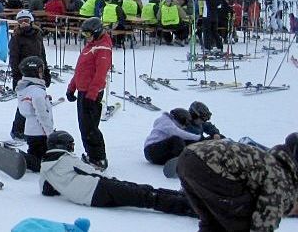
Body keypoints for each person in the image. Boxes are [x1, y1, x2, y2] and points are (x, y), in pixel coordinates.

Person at [40, 131, 197, 217]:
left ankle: (182, 199)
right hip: (99, 188)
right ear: (62, 145)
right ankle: (189, 206)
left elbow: (46, 190)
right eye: (70, 145)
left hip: (91, 200)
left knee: (140, 194)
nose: (71, 149)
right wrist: (114, 181)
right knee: (143, 194)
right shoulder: (66, 159)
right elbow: (92, 172)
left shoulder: (46, 167)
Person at [177, 134, 298, 231]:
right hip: (209, 164)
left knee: (214, 223)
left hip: (188, 157)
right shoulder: (282, 177)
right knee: (240, 222)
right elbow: (264, 224)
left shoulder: (269, 161)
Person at [65, 17, 112, 170]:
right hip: (83, 90)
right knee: (84, 126)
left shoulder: (103, 48)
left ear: (97, 32)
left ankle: (98, 158)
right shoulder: (91, 45)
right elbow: (81, 69)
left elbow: (100, 74)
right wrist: (72, 87)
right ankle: (91, 154)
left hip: (91, 93)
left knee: (90, 127)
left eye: (88, 34)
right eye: (84, 35)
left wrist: (91, 95)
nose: (86, 38)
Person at [9, 10, 51, 141]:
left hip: (37, 73)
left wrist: (46, 72)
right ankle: (17, 130)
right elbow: (14, 59)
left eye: (26, 20)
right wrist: (16, 76)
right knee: (25, 102)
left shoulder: (37, 35)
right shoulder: (16, 38)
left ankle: (37, 127)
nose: (24, 23)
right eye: (21, 21)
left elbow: (42, 55)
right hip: (24, 74)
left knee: (37, 101)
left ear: (31, 21)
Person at [16, 56, 55, 172]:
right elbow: (42, 115)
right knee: (41, 163)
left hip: (30, 130)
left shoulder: (26, 89)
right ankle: (23, 159)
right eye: (40, 71)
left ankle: (25, 158)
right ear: (34, 72)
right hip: (40, 132)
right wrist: (50, 133)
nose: (42, 74)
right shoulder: (37, 92)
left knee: (35, 152)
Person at [143, 108, 210, 165]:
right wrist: (197, 137)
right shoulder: (166, 122)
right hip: (151, 150)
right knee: (176, 139)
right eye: (184, 123)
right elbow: (178, 133)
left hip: (160, 156)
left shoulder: (170, 124)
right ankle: (181, 163)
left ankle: (193, 160)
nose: (184, 126)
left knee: (186, 142)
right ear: (179, 119)